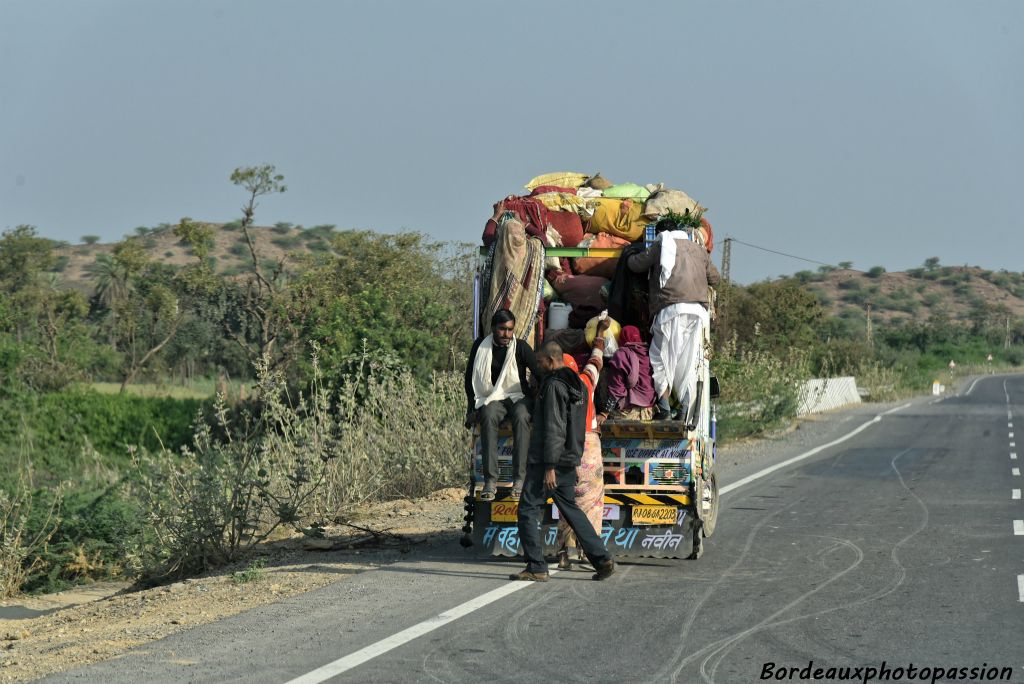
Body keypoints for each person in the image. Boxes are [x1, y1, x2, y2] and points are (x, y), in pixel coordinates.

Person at [511, 341, 615, 582]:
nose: (537, 368)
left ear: (550, 361)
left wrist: (549, 468)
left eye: (539, 363)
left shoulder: (553, 387)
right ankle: (602, 558)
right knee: (571, 509)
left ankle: (536, 566)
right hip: (568, 460)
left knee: (527, 510)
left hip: (548, 463)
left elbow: (554, 428)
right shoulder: (578, 384)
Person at [627, 217, 720, 421]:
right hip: (697, 313)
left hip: (670, 311)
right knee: (685, 360)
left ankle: (665, 409)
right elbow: (715, 278)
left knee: (660, 358)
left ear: (661, 233)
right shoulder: (698, 250)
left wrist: (630, 253)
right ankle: (685, 408)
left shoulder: (663, 244)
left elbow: (636, 265)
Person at [464, 309, 540, 501]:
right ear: (493, 328)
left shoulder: (521, 347)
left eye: (510, 330)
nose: (507, 334)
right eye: (502, 329)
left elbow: (540, 373)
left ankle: (519, 479)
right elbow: (470, 379)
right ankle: (490, 480)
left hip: (518, 396)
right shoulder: (480, 347)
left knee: (522, 416)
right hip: (492, 398)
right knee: (488, 415)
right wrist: (472, 409)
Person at [555, 319, 610, 570]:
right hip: (588, 446)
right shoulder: (586, 380)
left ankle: (565, 551)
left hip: (564, 448)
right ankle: (591, 552)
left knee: (567, 502)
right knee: (593, 501)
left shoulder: (554, 390)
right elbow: (597, 358)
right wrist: (599, 333)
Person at [597, 325, 657, 424]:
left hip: (630, 414)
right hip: (649, 412)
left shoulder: (622, 354)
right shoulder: (649, 352)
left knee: (603, 373)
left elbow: (617, 389)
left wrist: (605, 413)